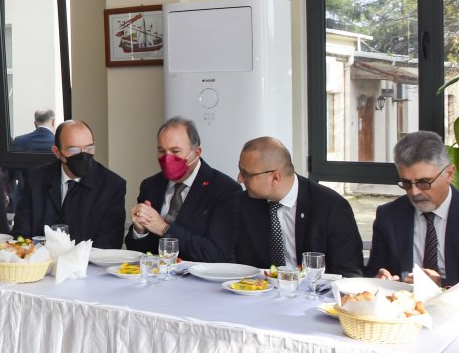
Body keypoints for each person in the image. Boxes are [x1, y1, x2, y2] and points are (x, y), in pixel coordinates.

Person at [235, 137, 363, 276]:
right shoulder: (245, 204)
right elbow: (241, 264)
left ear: (275, 178)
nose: (239, 179)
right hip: (261, 287)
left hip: (316, 288)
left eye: (245, 174)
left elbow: (348, 273)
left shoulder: (332, 207)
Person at [126, 116, 241, 262]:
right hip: (155, 273)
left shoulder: (225, 190)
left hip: (198, 275)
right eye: (161, 151)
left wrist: (164, 229)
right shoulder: (150, 185)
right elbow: (136, 251)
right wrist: (140, 230)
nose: (167, 158)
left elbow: (217, 253)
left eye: (175, 151)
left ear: (196, 153)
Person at [12, 120, 126, 248]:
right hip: (39, 258)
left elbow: (109, 244)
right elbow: (21, 235)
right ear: (57, 152)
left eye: (89, 148)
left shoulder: (111, 186)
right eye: (74, 149)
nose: (83, 154)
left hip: (89, 260)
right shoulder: (36, 179)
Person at [366, 131, 459, 287]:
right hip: (401, 300)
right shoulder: (388, 216)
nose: (414, 192)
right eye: (407, 183)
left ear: (449, 174)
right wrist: (380, 278)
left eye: (424, 182)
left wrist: (440, 285)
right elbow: (373, 272)